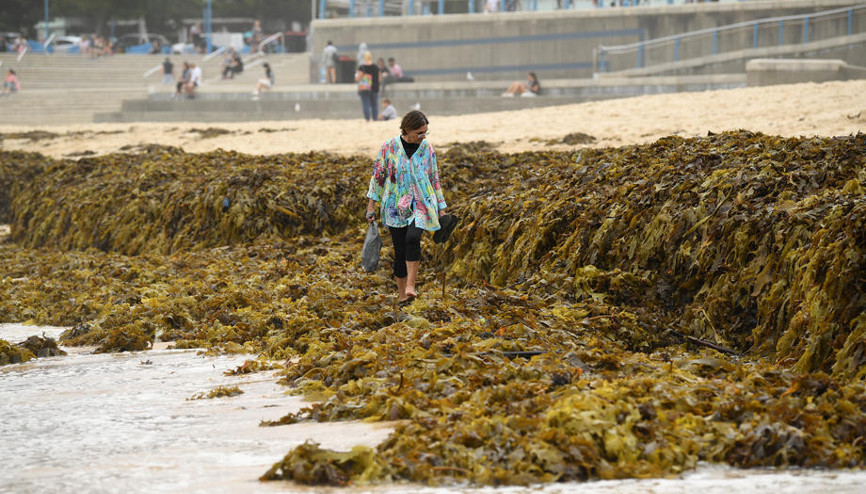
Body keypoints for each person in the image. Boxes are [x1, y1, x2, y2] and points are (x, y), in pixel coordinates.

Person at [365, 110, 448, 304]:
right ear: (407, 130)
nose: (423, 136)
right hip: (394, 206)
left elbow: (433, 177)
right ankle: (402, 295)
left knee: (413, 239)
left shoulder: (427, 148)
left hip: (422, 202)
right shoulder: (389, 147)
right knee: (400, 250)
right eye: (419, 133)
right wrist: (371, 206)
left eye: (426, 132)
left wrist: (441, 207)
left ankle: (411, 285)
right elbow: (378, 177)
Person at [355, 51, 380, 121]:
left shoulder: (362, 67)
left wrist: (356, 76)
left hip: (365, 88)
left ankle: (367, 119)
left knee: (366, 104)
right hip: (375, 88)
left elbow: (358, 79)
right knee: (374, 105)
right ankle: (375, 119)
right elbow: (379, 79)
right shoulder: (376, 67)